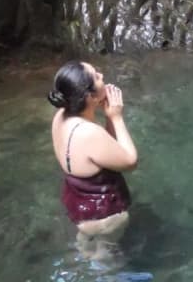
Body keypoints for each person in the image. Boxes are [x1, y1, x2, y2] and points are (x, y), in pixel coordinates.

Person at [48, 60, 138, 258]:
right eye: (96, 77)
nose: (102, 75)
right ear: (90, 97)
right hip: (103, 216)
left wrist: (106, 117)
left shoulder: (61, 117)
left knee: (91, 250)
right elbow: (130, 160)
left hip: (77, 202)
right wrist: (116, 117)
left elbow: (104, 150)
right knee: (109, 261)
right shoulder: (88, 133)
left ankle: (85, 247)